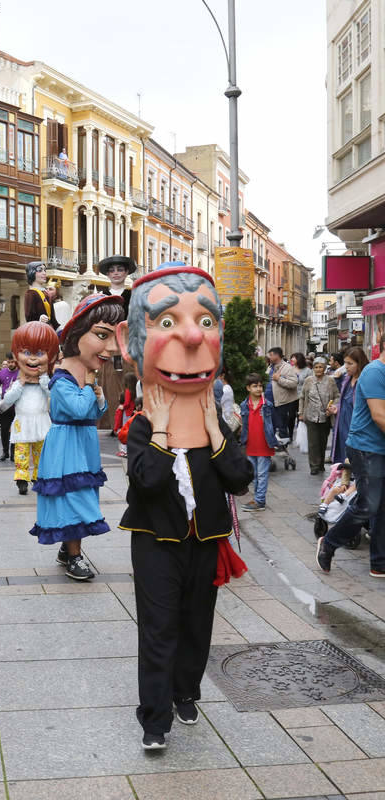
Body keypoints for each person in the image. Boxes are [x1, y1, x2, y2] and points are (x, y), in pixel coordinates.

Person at [117, 262, 252, 751]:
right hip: (156, 540)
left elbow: (240, 479)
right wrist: (157, 429)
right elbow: (147, 483)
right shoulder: (138, 427)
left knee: (198, 623)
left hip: (205, 540)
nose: (193, 337)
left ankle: (186, 691)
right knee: (158, 628)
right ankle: (155, 721)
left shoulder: (218, 421)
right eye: (168, 322)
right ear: (130, 341)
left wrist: (217, 433)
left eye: (207, 321)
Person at [31, 294, 124, 580]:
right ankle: (73, 556)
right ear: (76, 334)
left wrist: (96, 395)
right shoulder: (63, 379)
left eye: (114, 338)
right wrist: (91, 388)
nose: (111, 348)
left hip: (81, 443)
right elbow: (79, 408)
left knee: (77, 494)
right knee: (73, 496)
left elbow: (98, 411)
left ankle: (66, 549)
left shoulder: (79, 378)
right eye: (102, 335)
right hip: (67, 444)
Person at [317, 332, 385, 579]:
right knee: (368, 504)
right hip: (365, 447)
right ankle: (329, 542)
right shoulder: (375, 372)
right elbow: (379, 415)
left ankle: (379, 562)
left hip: (380, 447)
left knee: (381, 506)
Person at [0, 321, 59, 495]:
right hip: (22, 422)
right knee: (21, 453)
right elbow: (8, 399)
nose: (32, 358)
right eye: (26, 353)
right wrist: (21, 383)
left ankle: (39, 477)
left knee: (41, 453)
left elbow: (52, 395)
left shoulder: (47, 382)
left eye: (39, 353)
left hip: (41, 421)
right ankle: (21, 479)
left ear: (51, 357)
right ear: (17, 355)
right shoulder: (18, 383)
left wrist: (44, 378)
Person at [240, 373, 277, 511]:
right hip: (250, 444)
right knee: (254, 474)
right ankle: (257, 499)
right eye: (255, 386)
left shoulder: (267, 405)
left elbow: (274, 423)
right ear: (248, 388)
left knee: (262, 474)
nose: (258, 388)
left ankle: (260, 500)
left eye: (260, 385)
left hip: (264, 444)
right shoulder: (244, 405)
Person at [298, 357, 339, 475]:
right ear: (313, 368)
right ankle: (314, 466)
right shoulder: (308, 381)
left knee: (323, 441)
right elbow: (302, 397)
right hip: (311, 415)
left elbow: (337, 396)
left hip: (325, 416)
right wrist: (301, 413)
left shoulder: (330, 381)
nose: (318, 369)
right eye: (316, 367)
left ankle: (320, 464)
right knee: (313, 442)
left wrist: (333, 407)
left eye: (321, 367)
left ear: (325, 368)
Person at [330, 346, 369, 464]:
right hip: (343, 424)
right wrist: (337, 407)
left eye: (350, 363)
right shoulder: (346, 380)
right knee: (344, 458)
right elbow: (344, 401)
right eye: (345, 363)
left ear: (359, 363)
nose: (346, 366)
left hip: (357, 426)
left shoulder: (365, 381)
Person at [267, 347, 298, 443]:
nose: (269, 357)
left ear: (277, 355)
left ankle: (283, 452)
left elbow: (293, 383)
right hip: (270, 403)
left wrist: (279, 379)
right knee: (271, 426)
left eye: (271, 355)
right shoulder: (270, 367)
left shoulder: (287, 367)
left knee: (282, 428)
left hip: (281, 403)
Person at [0, 355, 19, 462]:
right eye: (9, 362)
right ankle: (5, 452)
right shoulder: (2, 372)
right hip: (5, 406)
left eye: (13, 362)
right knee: (4, 430)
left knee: (16, 430)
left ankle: (14, 453)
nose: (11, 364)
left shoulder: (21, 373)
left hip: (17, 406)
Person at [24, 262, 59, 329]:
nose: (44, 273)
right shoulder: (31, 293)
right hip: (38, 331)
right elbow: (29, 317)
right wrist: (39, 320)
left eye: (44, 270)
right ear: (32, 273)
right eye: (40, 270)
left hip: (49, 329)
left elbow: (53, 318)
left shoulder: (46, 293)